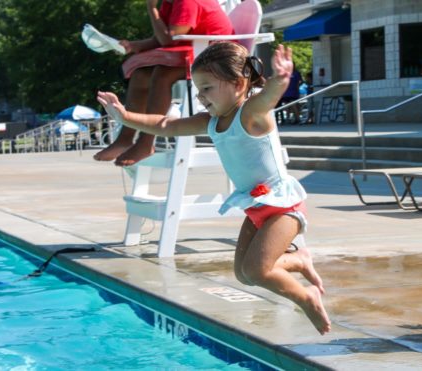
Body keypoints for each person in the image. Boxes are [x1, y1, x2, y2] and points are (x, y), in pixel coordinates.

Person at [97, 42, 331, 335]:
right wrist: (124, 117)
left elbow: (268, 99)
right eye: (198, 89)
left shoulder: (251, 114)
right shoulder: (211, 122)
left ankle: (305, 297)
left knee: (258, 270)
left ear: (237, 83)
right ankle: (299, 259)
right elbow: (166, 124)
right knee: (245, 275)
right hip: (256, 206)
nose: (200, 96)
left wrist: (281, 80)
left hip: (283, 208)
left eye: (207, 88)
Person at [94, 0, 234, 166]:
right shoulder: (170, 3)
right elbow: (161, 38)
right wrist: (133, 46)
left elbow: (169, 40)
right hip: (198, 53)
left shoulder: (187, 2)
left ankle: (146, 142)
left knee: (162, 74)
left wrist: (151, 8)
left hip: (219, 57)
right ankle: (125, 138)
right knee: (140, 75)